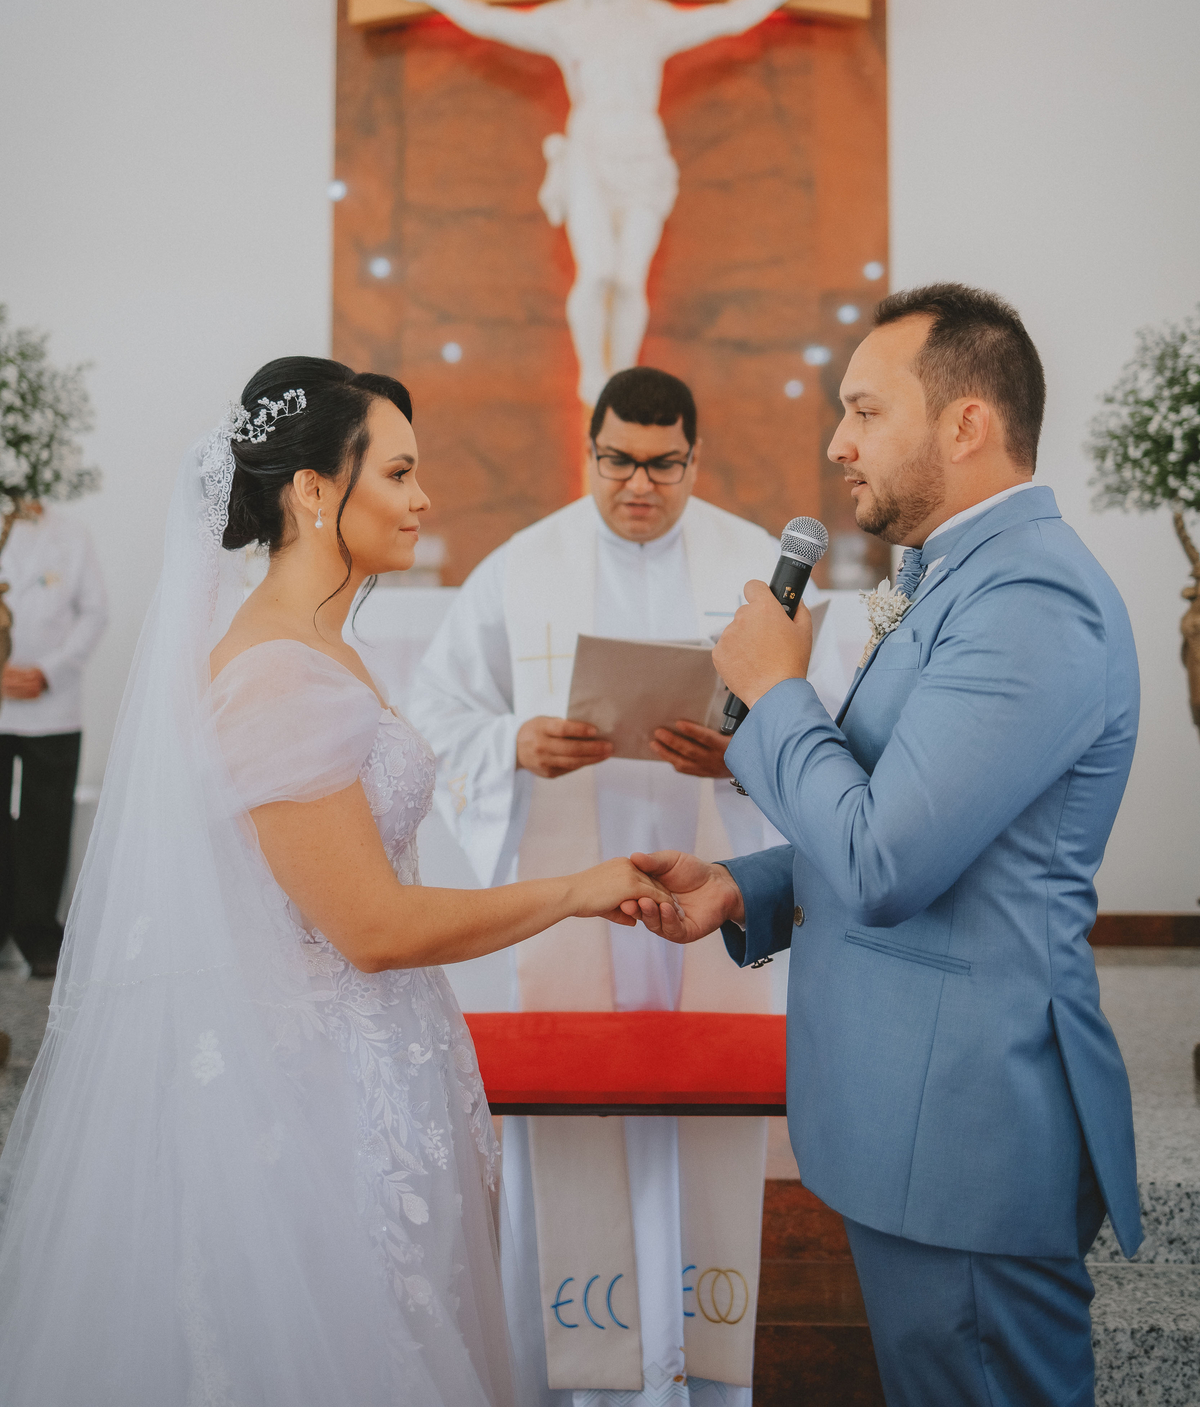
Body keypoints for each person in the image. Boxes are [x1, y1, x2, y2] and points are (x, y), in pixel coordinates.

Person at [0, 357, 676, 1407]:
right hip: (313, 1090)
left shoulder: (322, 642)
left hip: (376, 1056)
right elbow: (371, 926)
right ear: (314, 489)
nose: (423, 498)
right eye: (398, 473)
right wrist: (577, 890)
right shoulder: (278, 672)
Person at [633, 285, 1142, 1407]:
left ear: (966, 423)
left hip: (964, 1128)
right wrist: (745, 887)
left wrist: (774, 692)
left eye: (865, 410)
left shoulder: (1030, 597)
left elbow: (884, 860)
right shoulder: (963, 577)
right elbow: (923, 823)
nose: (838, 442)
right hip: (914, 1117)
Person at [411, 365, 822, 1407]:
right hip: (575, 908)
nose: (638, 484)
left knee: (697, 1127)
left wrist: (740, 758)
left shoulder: (757, 573)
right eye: (617, 461)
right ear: (589, 450)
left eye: (663, 465)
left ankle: (696, 1377)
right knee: (577, 1126)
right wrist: (515, 743)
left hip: (709, 897)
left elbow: (821, 723)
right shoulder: (523, 566)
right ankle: (580, 1383)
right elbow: (436, 712)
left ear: (694, 458)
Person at [389, 0, 836, 405]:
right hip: (590, 151)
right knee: (596, 271)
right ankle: (592, 375)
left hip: (643, 154)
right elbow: (487, 21)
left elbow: (730, 18)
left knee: (627, 280)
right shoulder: (564, 23)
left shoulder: (653, 20)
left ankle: (621, 380)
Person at [0, 500, 108, 977]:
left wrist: (49, 671)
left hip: (54, 704)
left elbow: (95, 613)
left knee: (47, 822)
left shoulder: (71, 534)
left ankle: (40, 933)